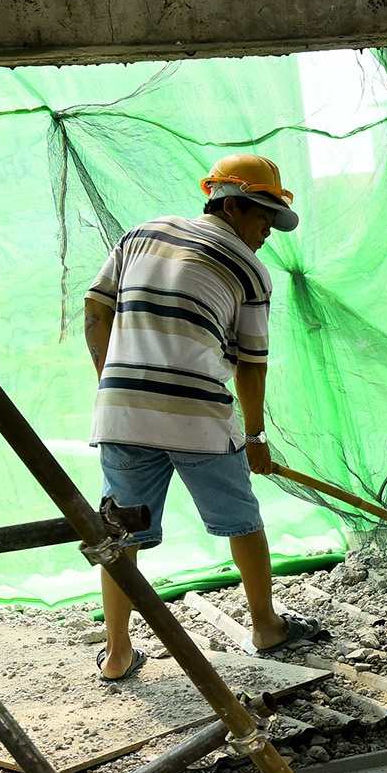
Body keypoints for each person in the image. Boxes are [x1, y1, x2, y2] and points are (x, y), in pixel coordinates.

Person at [81, 153, 321, 679]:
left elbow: (95, 310)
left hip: (121, 414)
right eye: (264, 219)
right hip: (199, 417)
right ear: (233, 206)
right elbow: (252, 368)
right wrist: (255, 437)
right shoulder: (250, 272)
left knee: (119, 534)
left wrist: (112, 381)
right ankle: (265, 626)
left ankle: (117, 654)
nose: (266, 235)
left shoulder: (141, 234)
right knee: (243, 521)